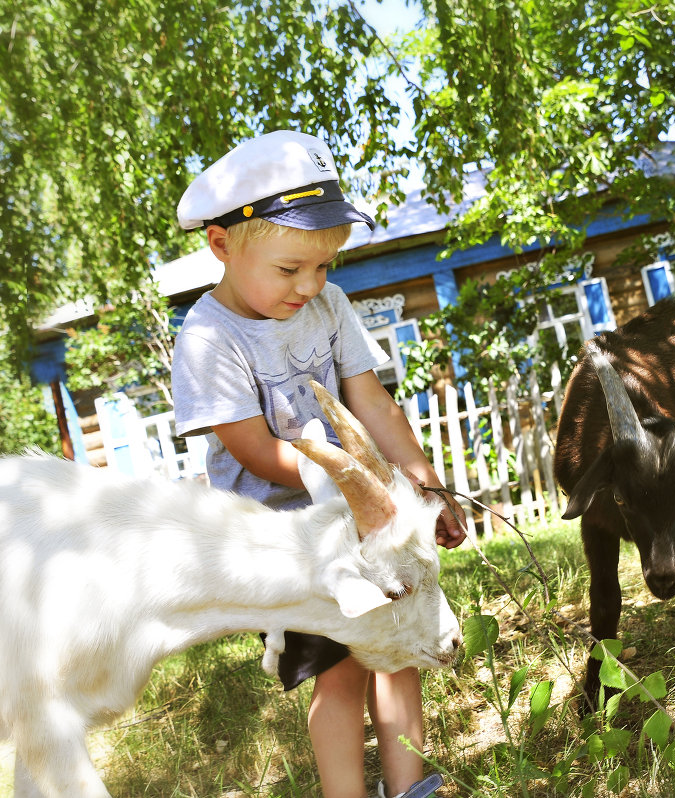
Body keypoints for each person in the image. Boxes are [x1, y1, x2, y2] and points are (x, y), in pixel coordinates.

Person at [171, 130, 466, 798]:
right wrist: (357, 484)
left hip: (364, 520)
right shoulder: (209, 336)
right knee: (338, 673)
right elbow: (250, 447)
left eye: (324, 267)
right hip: (289, 541)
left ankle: (411, 788)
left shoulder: (328, 307)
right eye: (288, 269)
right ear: (221, 244)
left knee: (397, 653)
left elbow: (372, 400)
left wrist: (418, 484)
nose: (310, 284)